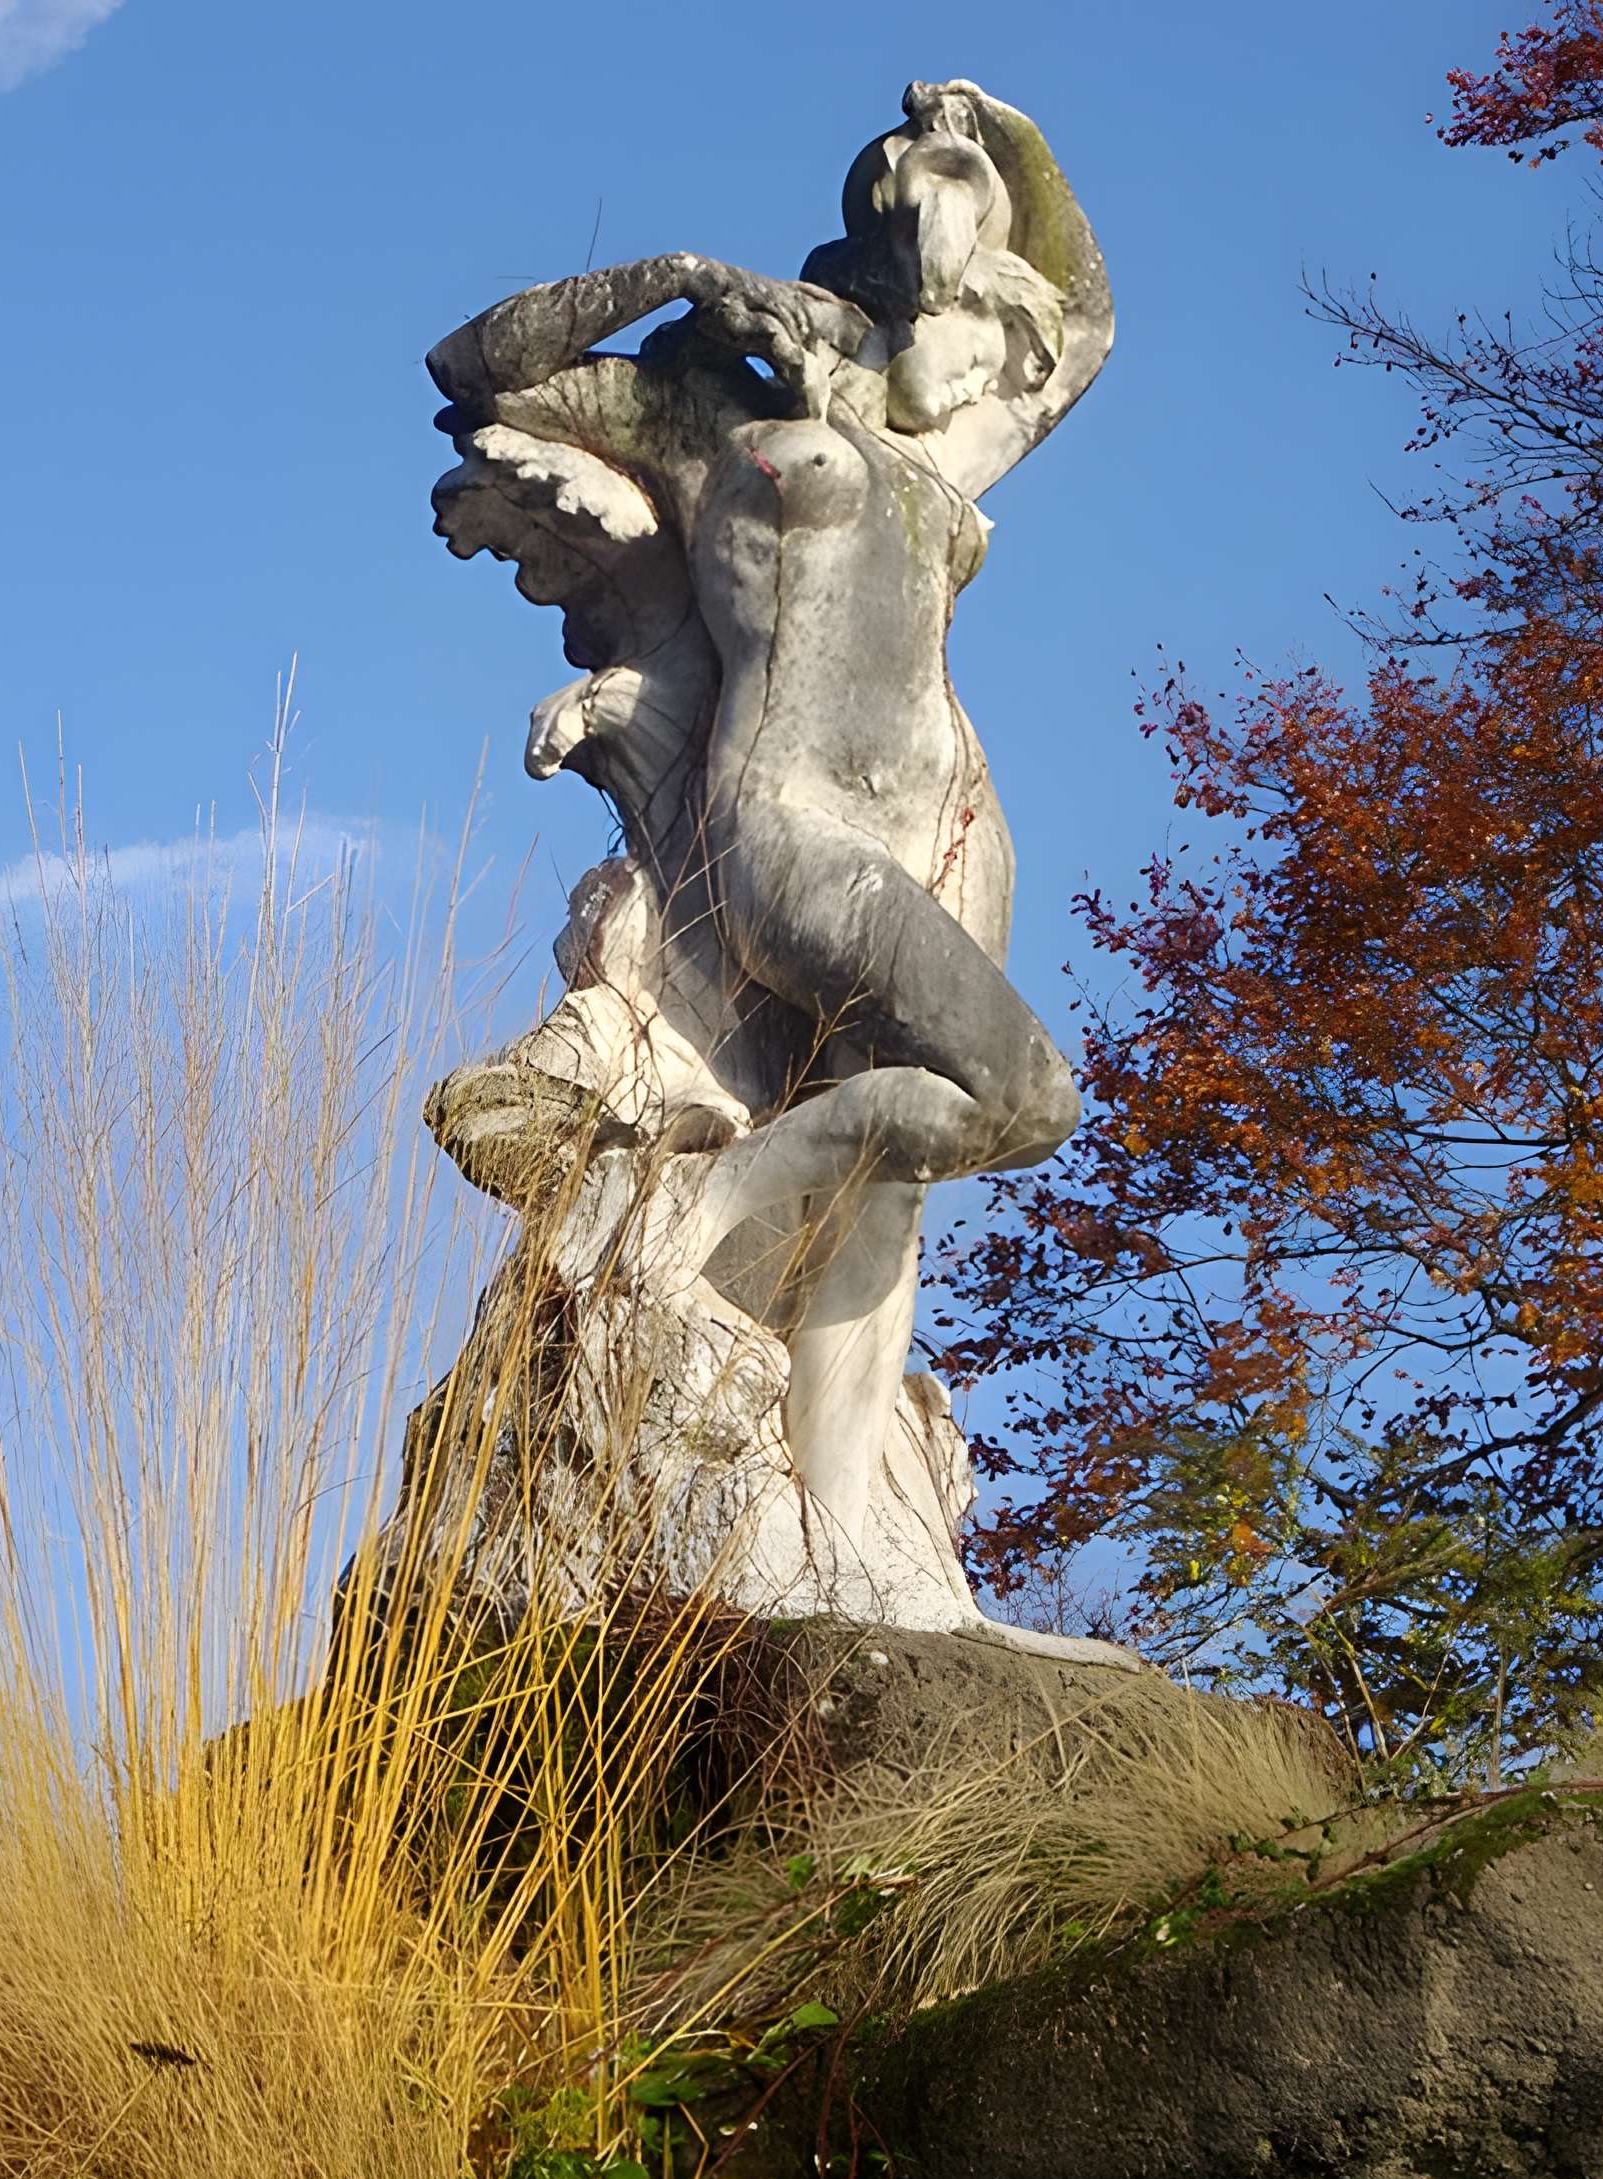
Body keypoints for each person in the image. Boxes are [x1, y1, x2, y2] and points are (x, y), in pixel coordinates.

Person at [428, 80, 1113, 1540]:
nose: (966, 365)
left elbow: (1087, 325)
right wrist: (674, 279)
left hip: (946, 838)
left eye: (984, 337)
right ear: (855, 307)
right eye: (934, 323)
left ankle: (847, 1528)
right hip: (789, 827)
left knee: (896, 1179)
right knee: (1026, 1100)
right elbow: (474, 366)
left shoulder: (946, 465)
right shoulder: (701, 411)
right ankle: (707, 1208)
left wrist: (988, 141)